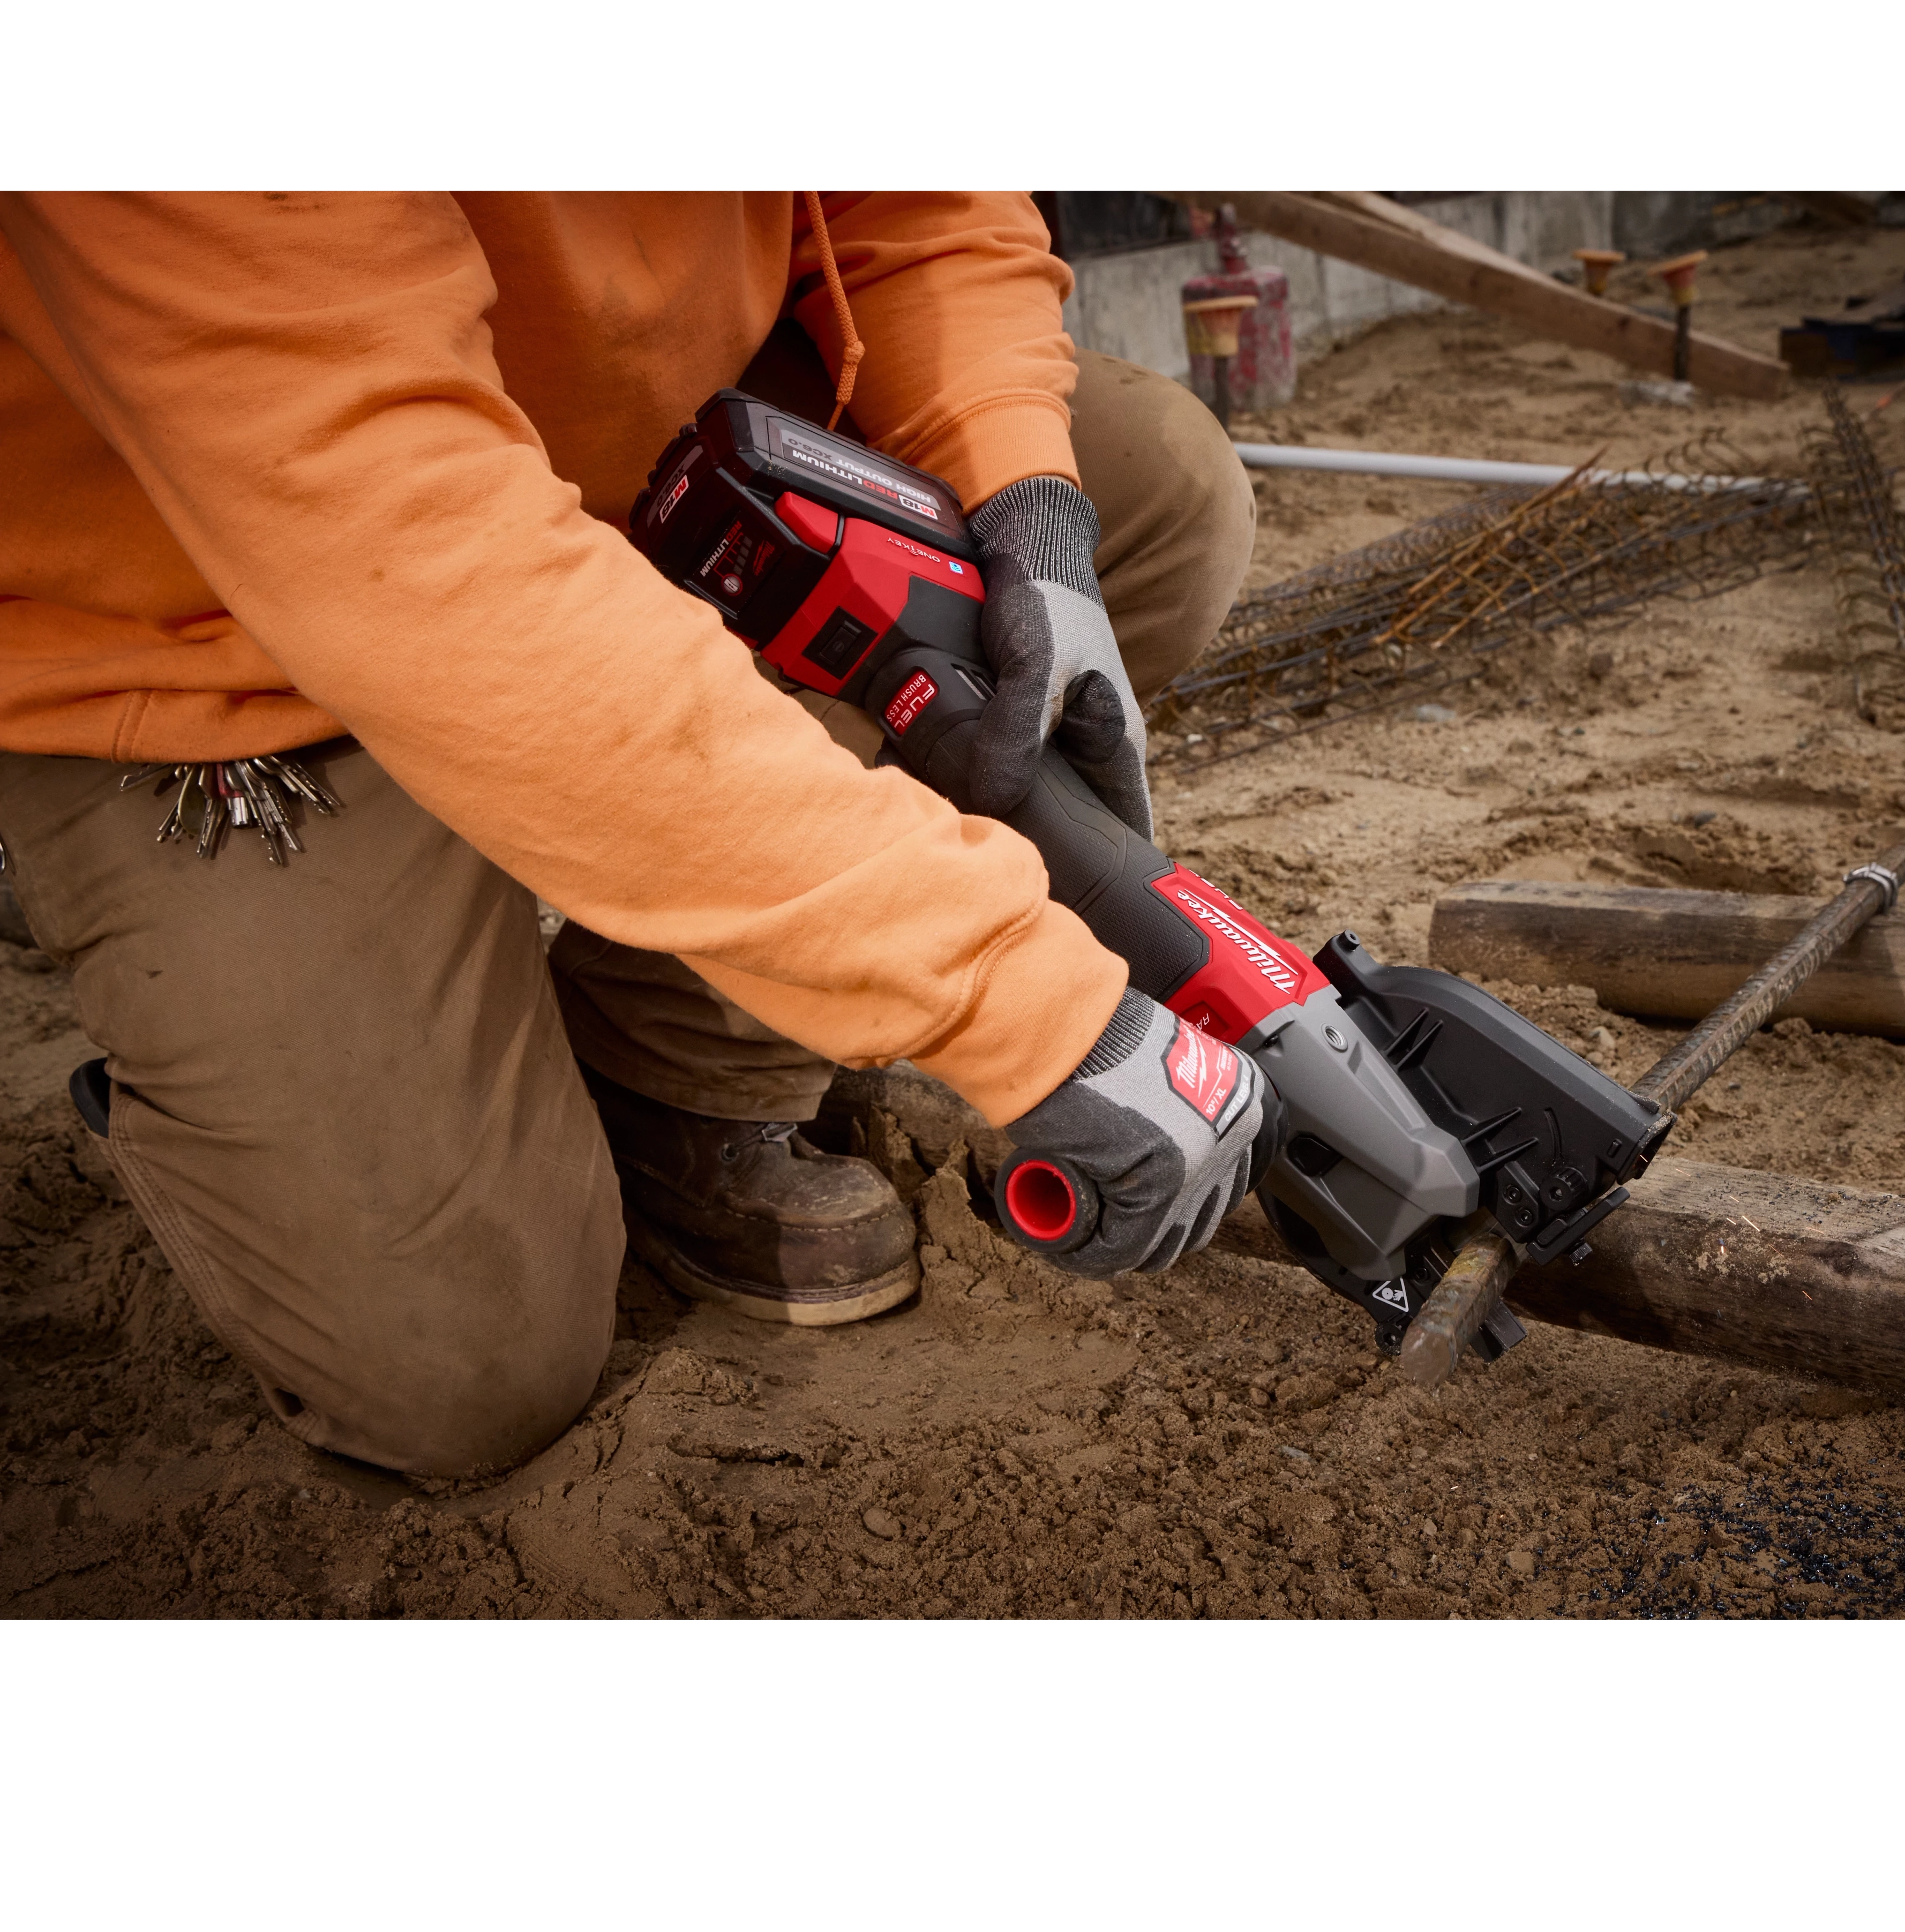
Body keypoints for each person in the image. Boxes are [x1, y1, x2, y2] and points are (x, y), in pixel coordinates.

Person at [0, 191, 1265, 1477]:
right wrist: (1021, 1006)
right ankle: (248, 1069)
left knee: (1152, 494)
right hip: (220, 632)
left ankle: (663, 1074)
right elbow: (428, 562)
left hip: (659, 485)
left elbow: (929, 209)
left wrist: (1025, 510)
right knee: (456, 1369)